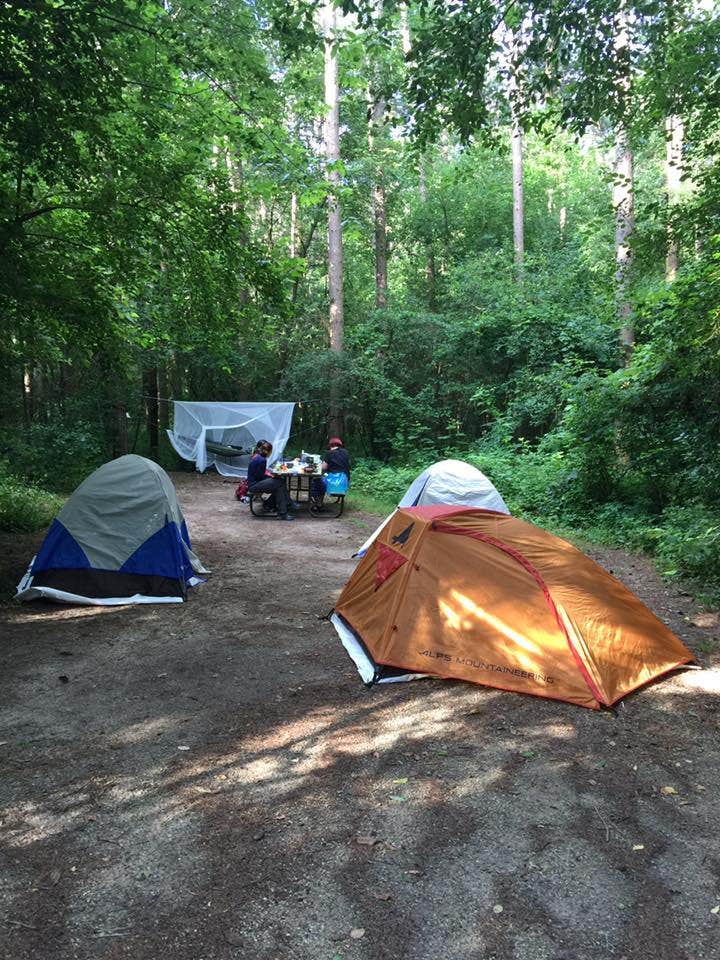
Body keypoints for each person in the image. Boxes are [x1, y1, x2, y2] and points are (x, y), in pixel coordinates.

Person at [247, 440, 294, 521]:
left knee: (279, 482)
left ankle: (285, 507)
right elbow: (260, 477)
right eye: (271, 451)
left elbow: (260, 475)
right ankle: (285, 509)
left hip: (255, 482)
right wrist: (271, 477)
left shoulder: (258, 457)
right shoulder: (262, 460)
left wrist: (272, 477)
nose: (271, 453)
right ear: (267, 452)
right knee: (278, 482)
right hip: (254, 485)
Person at [311, 437, 351, 511]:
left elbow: (323, 468)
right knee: (322, 479)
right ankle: (320, 503)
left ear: (330, 445)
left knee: (316, 481)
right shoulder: (346, 453)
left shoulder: (329, 453)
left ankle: (319, 504)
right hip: (344, 483)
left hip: (332, 483)